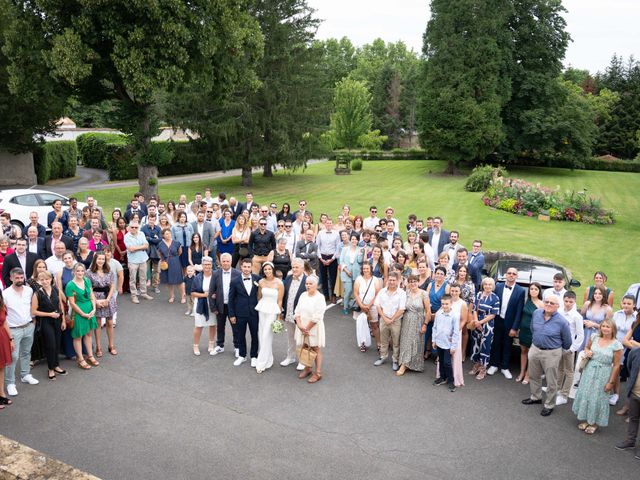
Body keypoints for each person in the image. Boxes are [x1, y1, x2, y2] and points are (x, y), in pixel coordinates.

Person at [521, 294, 572, 417]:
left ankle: (549, 404)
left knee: (551, 380)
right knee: (534, 375)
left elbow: (567, 342)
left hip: (552, 353)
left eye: (552, 303)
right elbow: (533, 329)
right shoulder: (537, 313)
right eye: (547, 302)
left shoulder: (562, 322)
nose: (548, 304)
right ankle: (535, 397)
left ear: (557, 306)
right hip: (535, 348)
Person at [572, 319, 623, 433]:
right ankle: (586, 419)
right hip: (589, 370)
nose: (605, 328)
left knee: (598, 397)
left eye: (608, 327)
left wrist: (611, 382)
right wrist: (587, 351)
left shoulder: (617, 345)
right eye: (603, 326)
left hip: (604, 373)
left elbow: (616, 366)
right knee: (586, 393)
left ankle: (594, 423)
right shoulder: (594, 337)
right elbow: (586, 348)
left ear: (613, 329)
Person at [3, 268, 37, 396]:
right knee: (13, 356)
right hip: (13, 330)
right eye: (16, 278)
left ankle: (25, 374)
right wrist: (9, 334)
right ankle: (10, 383)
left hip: (28, 326)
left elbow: (32, 306)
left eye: (21, 277)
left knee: (26, 353)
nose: (19, 280)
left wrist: (33, 322)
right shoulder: (5, 294)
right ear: (11, 278)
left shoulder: (29, 290)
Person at [488, 267, 525, 379]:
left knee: (508, 345)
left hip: (510, 322)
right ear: (505, 274)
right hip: (497, 320)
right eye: (509, 273)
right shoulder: (498, 286)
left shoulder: (520, 291)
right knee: (496, 343)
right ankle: (494, 365)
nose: (511, 275)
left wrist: (515, 327)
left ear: (516, 276)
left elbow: (519, 311)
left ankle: (505, 367)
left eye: (514, 274)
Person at [31, 270, 67, 380]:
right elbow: (34, 311)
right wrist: (49, 314)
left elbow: (61, 305)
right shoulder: (37, 294)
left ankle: (56, 366)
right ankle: (51, 369)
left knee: (56, 344)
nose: (45, 281)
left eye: (47, 279)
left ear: (50, 279)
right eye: (42, 280)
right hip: (45, 321)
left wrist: (64, 320)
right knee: (50, 345)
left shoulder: (56, 289)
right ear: (39, 281)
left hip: (57, 320)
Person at [65, 263, 99, 370]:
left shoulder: (87, 281)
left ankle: (90, 356)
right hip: (79, 313)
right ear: (73, 272)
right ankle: (80, 359)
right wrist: (83, 314)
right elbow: (72, 303)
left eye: (82, 271)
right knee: (78, 336)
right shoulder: (70, 285)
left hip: (90, 310)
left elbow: (91, 295)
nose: (80, 273)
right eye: (78, 271)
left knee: (89, 334)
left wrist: (94, 308)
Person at [228, 259, 260, 367]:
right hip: (240, 313)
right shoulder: (235, 281)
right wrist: (231, 315)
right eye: (244, 267)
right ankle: (242, 355)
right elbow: (231, 299)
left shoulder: (257, 279)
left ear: (251, 267)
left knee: (254, 335)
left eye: (248, 267)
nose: (246, 269)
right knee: (240, 335)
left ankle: (254, 356)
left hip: (254, 313)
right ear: (241, 267)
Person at [555, 291, 585, 406]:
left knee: (569, 371)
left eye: (570, 302)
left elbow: (580, 334)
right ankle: (556, 389)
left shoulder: (577, 316)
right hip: (558, 345)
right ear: (563, 300)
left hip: (569, 348)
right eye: (566, 301)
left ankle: (564, 395)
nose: (568, 303)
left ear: (574, 302)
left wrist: (572, 349)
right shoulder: (559, 312)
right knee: (559, 368)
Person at [294, 275, 326, 383]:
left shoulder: (320, 297)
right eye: (306, 284)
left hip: (313, 327)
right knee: (306, 346)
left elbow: (317, 316)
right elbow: (297, 311)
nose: (308, 286)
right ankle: (307, 368)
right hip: (302, 326)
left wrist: (306, 328)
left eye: (310, 284)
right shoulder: (303, 295)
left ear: (316, 285)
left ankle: (318, 373)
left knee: (315, 348)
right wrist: (299, 325)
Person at [397, 275, 430, 376]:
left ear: (418, 282)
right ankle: (404, 363)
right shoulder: (406, 293)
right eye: (411, 282)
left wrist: (425, 324)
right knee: (406, 342)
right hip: (407, 320)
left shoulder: (424, 294)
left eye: (415, 281)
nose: (413, 283)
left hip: (419, 321)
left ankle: (414, 364)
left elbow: (428, 311)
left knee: (415, 342)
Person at [254, 262, 284, 373]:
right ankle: (268, 359)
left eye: (269, 269)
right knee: (261, 335)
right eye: (265, 269)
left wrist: (279, 317)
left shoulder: (279, 283)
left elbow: (280, 301)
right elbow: (259, 296)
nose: (267, 271)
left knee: (267, 335)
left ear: (273, 270)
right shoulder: (261, 282)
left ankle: (261, 363)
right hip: (262, 309)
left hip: (273, 310)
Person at [374, 272, 406, 371]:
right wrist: (384, 318)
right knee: (384, 340)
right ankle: (383, 357)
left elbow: (401, 309)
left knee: (396, 342)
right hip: (384, 320)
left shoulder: (402, 293)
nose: (391, 282)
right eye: (390, 280)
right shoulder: (382, 291)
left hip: (395, 321)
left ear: (397, 281)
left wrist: (391, 319)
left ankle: (395, 360)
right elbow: (377, 305)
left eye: (394, 280)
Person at [468, 277, 500, 380]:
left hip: (487, 325)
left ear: (493, 286)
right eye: (485, 284)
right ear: (483, 285)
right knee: (476, 344)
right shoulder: (478, 294)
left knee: (485, 346)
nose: (487, 286)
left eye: (490, 284)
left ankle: (483, 368)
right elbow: (474, 310)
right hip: (477, 322)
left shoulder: (495, 298)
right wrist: (477, 322)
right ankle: (477, 364)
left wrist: (480, 323)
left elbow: (493, 315)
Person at [87, 252, 117, 357]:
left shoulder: (109, 271)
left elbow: (112, 286)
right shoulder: (89, 272)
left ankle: (111, 345)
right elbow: (89, 288)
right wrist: (95, 301)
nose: (101, 261)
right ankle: (99, 347)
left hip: (107, 297)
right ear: (95, 259)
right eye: (99, 259)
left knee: (109, 322)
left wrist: (108, 299)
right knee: (98, 324)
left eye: (103, 259)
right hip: (96, 298)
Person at [281, 259, 307, 369]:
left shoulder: (307, 281)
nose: (294, 269)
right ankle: (290, 357)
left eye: (297, 267)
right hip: (288, 313)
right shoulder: (288, 278)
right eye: (293, 267)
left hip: (301, 316)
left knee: (301, 338)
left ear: (302, 268)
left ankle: (303, 360)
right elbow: (283, 295)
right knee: (290, 337)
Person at [614, 347, 640, 457]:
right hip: (635, 393)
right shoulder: (636, 352)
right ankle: (630, 441)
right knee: (633, 418)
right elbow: (630, 367)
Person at [432, 294, 461, 392]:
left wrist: (453, 346)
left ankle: (451, 381)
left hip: (448, 344)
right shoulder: (438, 313)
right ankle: (442, 377)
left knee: (447, 363)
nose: (444, 306)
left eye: (446, 304)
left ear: (451, 303)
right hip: (439, 342)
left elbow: (456, 332)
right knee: (441, 361)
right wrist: (434, 340)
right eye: (443, 304)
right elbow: (434, 327)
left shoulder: (455, 316)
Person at [517, 282, 544, 384]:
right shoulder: (526, 300)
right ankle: (522, 372)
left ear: (539, 291)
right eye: (531, 289)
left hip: (533, 332)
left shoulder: (541, 304)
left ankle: (528, 375)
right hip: (523, 331)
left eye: (536, 289)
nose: (533, 291)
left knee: (531, 355)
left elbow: (542, 320)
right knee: (523, 351)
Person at [190, 257, 216, 356]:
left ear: (211, 265)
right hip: (200, 304)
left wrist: (215, 295)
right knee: (199, 325)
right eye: (205, 264)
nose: (207, 266)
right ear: (202, 265)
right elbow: (192, 293)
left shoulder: (216, 275)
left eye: (209, 264)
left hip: (213, 304)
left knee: (212, 324)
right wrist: (204, 295)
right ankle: (196, 345)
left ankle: (211, 344)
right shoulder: (197, 277)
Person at [353, 262, 382, 353]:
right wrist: (361, 305)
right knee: (361, 325)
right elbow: (356, 293)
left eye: (367, 268)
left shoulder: (375, 280)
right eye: (364, 268)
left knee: (374, 326)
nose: (365, 270)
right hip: (360, 306)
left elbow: (377, 293)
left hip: (372, 307)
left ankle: (379, 344)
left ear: (371, 269)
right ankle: (363, 344)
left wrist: (369, 305)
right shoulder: (358, 279)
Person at [124, 222, 152, 304]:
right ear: (129, 227)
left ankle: (144, 293)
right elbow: (130, 249)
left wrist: (136, 248)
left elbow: (146, 245)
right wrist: (141, 247)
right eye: (132, 227)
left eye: (136, 227)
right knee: (132, 279)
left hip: (143, 259)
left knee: (143, 277)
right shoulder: (126, 236)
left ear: (138, 227)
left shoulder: (141, 233)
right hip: (133, 260)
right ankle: (134, 295)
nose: (134, 229)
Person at [425, 266, 450, 359]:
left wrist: (436, 314)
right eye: (437, 273)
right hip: (428, 311)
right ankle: (427, 350)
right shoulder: (430, 284)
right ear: (434, 274)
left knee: (438, 334)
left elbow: (446, 301)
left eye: (441, 274)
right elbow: (426, 298)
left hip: (441, 312)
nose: (439, 275)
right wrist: (429, 312)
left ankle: (438, 355)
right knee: (427, 332)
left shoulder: (447, 286)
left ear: (445, 276)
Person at [451, 264, 474, 361]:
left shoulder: (470, 284)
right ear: (458, 272)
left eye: (464, 271)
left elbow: (472, 300)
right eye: (461, 271)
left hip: (465, 308)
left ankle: (463, 352)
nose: (462, 273)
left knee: (463, 331)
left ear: (467, 273)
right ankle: (452, 350)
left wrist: (469, 313)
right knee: (452, 329)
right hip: (453, 307)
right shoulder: (453, 281)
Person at [580, 285, 613, 350]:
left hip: (598, 334)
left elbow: (608, 326)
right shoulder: (587, 304)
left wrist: (594, 325)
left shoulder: (608, 309)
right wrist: (584, 322)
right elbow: (580, 317)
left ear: (604, 295)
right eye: (595, 293)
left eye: (600, 294)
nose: (597, 295)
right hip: (585, 333)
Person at [158, 228, 184, 304]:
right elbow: (160, 254)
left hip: (175, 262)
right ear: (163, 235)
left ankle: (183, 296)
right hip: (165, 263)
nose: (168, 235)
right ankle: (171, 296)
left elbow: (180, 252)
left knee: (179, 280)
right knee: (169, 281)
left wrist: (173, 258)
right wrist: (163, 261)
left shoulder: (176, 243)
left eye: (169, 233)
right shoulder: (160, 244)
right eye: (166, 234)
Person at [338, 233, 363, 315]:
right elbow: (341, 261)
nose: (354, 241)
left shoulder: (360, 249)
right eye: (352, 239)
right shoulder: (345, 249)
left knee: (357, 291)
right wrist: (346, 270)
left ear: (358, 240)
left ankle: (355, 305)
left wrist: (361, 254)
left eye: (356, 239)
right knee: (348, 291)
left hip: (356, 273)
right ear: (350, 239)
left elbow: (360, 261)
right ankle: (345, 307)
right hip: (346, 272)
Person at [141, 214, 162, 294]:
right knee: (144, 269)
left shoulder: (158, 228)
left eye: (153, 220)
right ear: (148, 219)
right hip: (146, 250)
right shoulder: (143, 228)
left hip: (156, 251)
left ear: (155, 220)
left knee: (156, 270)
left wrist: (149, 238)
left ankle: (155, 286)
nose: (151, 221)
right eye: (150, 219)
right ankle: (143, 287)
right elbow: (143, 239)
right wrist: (154, 239)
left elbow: (159, 240)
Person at [0, 291, 13, 408]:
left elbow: (5, 323)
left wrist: (11, 339)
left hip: (2, 338)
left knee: (1, 367)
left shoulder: (1, 304)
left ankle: (2, 394)